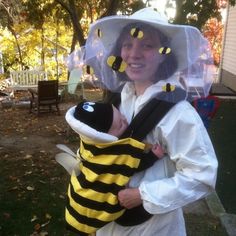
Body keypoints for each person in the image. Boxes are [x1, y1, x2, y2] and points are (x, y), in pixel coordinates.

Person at [66, 7, 218, 236]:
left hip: (153, 228)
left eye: (147, 45)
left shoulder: (178, 113)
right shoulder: (120, 99)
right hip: (109, 224)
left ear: (164, 54)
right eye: (127, 45)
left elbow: (202, 175)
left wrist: (143, 194)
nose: (133, 54)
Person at [64, 101, 165, 235]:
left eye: (120, 114)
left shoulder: (90, 141)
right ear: (106, 137)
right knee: (90, 208)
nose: (125, 119)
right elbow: (129, 166)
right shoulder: (113, 152)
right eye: (120, 124)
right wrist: (152, 156)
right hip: (93, 200)